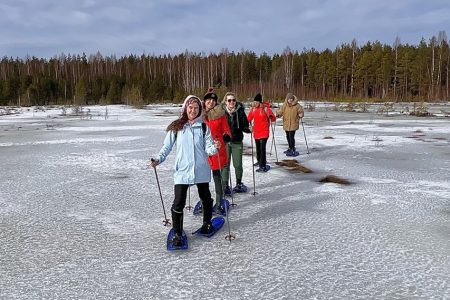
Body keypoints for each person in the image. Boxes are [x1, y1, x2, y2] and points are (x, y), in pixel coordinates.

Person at [150, 95, 220, 246]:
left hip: (201, 169)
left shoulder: (203, 127)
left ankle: (207, 223)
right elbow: (166, 147)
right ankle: (177, 233)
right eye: (190, 108)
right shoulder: (177, 127)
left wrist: (215, 147)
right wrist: (158, 159)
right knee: (178, 203)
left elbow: (208, 148)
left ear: (199, 110)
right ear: (185, 108)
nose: (193, 110)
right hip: (182, 171)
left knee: (206, 198)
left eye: (196, 108)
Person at [202, 88, 232, 214]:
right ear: (204, 101)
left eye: (213, 100)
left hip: (216, 151)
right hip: (202, 152)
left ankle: (219, 202)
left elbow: (227, 130)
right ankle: (205, 203)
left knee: (217, 178)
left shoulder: (220, 114)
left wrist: (226, 136)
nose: (211, 102)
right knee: (202, 181)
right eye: (208, 99)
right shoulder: (199, 114)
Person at [221, 92, 251, 195]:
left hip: (237, 142)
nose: (231, 102)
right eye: (229, 100)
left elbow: (245, 126)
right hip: (225, 142)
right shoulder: (221, 112)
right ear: (226, 102)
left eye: (233, 100)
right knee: (225, 165)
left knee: (237, 164)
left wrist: (249, 129)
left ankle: (238, 183)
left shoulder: (240, 111)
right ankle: (225, 185)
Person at [247, 93, 276, 172]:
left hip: (264, 131)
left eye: (257, 102)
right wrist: (247, 124)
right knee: (258, 148)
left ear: (260, 102)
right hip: (256, 132)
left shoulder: (266, 109)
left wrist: (270, 116)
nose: (255, 104)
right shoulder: (253, 109)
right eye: (254, 102)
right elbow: (248, 118)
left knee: (262, 148)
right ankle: (259, 161)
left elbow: (273, 118)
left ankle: (262, 165)